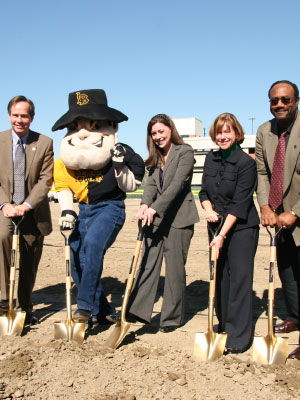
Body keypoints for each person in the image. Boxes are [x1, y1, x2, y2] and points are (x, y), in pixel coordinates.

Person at [52, 89, 145, 326]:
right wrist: (67, 211)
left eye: (93, 126)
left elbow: (130, 186)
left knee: (93, 247)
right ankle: (102, 310)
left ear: (111, 125)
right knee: (75, 258)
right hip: (83, 210)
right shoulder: (64, 160)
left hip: (109, 208)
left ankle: (84, 307)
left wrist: (118, 165)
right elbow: (63, 187)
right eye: (75, 127)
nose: (83, 134)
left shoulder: (122, 151)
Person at [126, 114, 199, 333]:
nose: (158, 137)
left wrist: (155, 207)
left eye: (161, 131)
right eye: (153, 133)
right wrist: (143, 204)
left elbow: (177, 184)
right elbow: (149, 185)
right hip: (155, 219)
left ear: (170, 130)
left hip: (179, 219)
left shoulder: (184, 151)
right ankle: (138, 311)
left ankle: (171, 319)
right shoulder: (155, 157)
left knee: (175, 270)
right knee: (148, 263)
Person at [199, 113, 259, 353]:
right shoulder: (211, 159)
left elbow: (240, 204)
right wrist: (207, 209)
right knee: (220, 277)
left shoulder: (246, 163)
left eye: (228, 132)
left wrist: (221, 234)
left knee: (239, 279)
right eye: (219, 132)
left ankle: (239, 337)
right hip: (215, 224)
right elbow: (203, 191)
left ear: (236, 134)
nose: (223, 136)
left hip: (241, 227)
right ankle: (224, 325)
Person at [255, 80, 300, 359]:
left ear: (296, 100)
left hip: (295, 210)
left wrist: (294, 211)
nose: (279, 104)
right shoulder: (264, 131)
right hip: (277, 216)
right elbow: (262, 172)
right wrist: (264, 206)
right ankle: (296, 316)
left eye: (285, 99)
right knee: (288, 273)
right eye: (274, 100)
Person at [0, 95, 53, 324]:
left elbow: (46, 179)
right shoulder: (0, 140)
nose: (19, 120)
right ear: (9, 115)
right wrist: (6, 204)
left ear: (31, 117)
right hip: (4, 209)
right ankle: (3, 301)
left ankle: (24, 307)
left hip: (32, 210)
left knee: (30, 257)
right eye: (15, 115)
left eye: (24, 115)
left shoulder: (44, 143)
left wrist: (26, 205)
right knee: (2, 238)